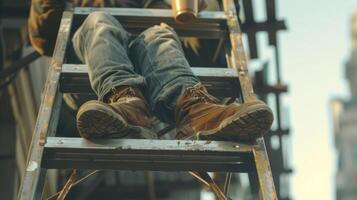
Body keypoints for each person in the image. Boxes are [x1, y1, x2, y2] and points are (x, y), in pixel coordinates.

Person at [29, 0, 274, 140]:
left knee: (160, 32)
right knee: (99, 21)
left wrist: (207, 5)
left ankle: (194, 110)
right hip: (91, 88)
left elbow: (206, 54)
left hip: (154, 96)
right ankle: (124, 98)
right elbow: (43, 40)